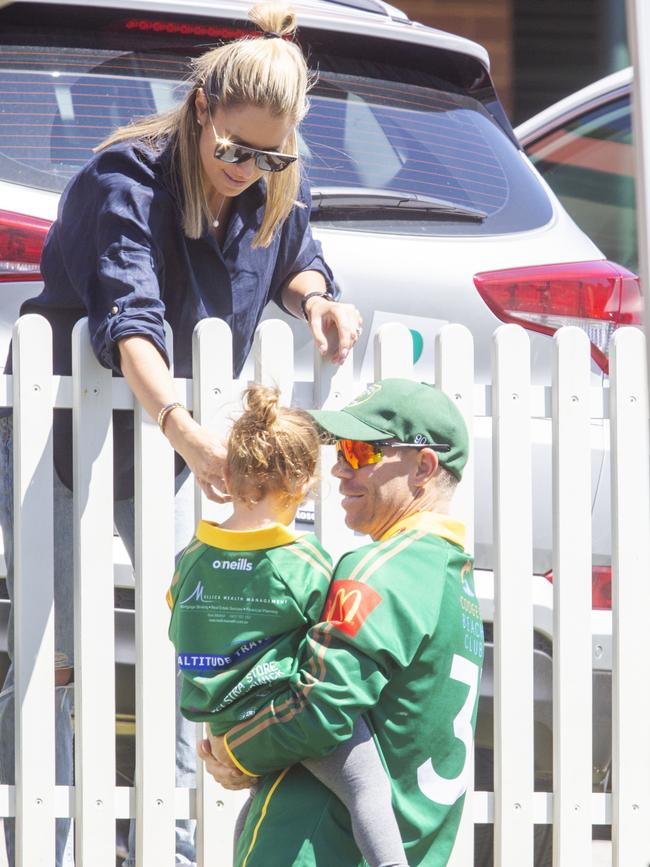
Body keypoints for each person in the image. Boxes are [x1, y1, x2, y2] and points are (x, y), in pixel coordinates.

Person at [0, 3, 362, 865]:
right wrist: (186, 431)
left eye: (270, 156)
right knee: (57, 652)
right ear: (201, 108)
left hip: (174, 453)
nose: (249, 170)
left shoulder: (275, 178)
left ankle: (174, 845)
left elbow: (294, 251)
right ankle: (37, 842)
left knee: (190, 648)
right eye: (235, 150)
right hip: (66, 439)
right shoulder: (122, 180)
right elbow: (132, 322)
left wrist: (316, 298)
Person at [199, 378, 484, 867]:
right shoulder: (454, 579)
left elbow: (316, 713)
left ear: (424, 466)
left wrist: (233, 750)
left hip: (309, 847)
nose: (337, 469)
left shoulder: (380, 567)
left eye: (359, 452)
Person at [168, 384, 408, 867]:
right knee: (368, 789)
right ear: (302, 482)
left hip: (223, 721)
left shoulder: (190, 559)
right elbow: (339, 627)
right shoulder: (301, 561)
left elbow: (178, 613)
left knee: (263, 807)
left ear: (230, 475)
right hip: (284, 713)